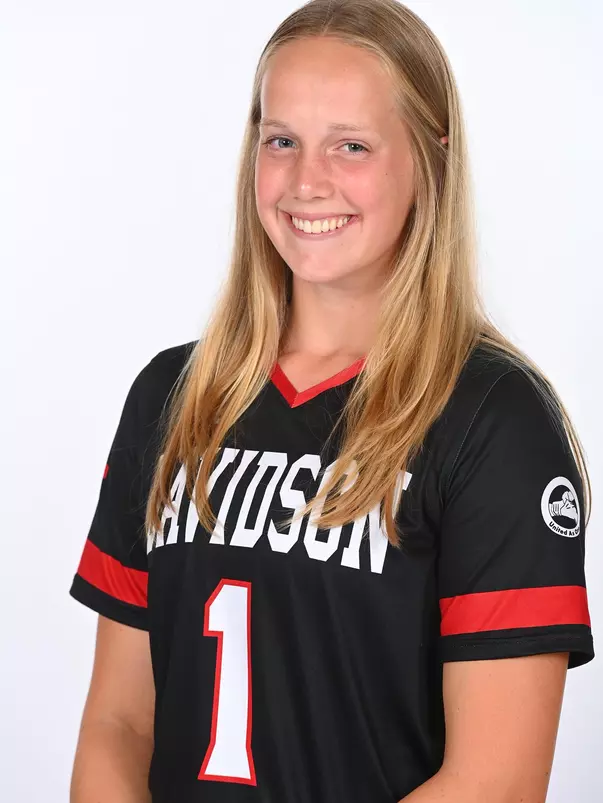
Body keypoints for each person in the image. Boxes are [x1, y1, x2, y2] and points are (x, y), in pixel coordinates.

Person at [68, 1, 594, 801]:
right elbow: (118, 723)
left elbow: (495, 779)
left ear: (428, 158)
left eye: (350, 145)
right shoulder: (170, 398)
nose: (307, 182)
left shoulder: (495, 420)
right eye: (281, 141)